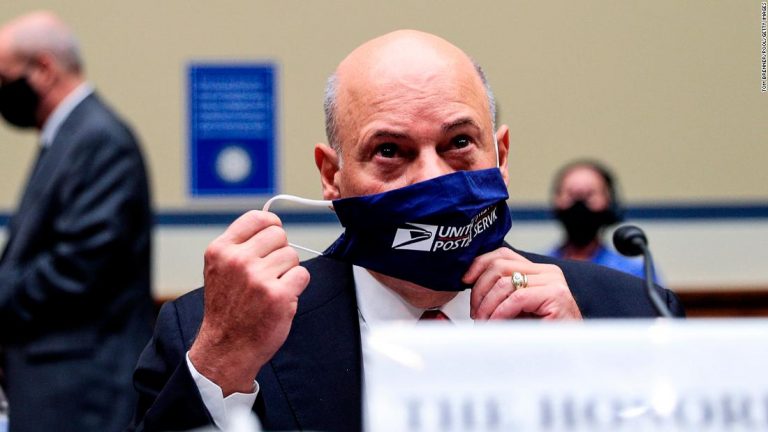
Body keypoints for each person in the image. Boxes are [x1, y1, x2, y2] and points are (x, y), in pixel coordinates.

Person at [130, 30, 683, 432]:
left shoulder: (631, 316)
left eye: (459, 143)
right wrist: (224, 362)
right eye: (390, 151)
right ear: (331, 175)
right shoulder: (215, 333)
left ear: (501, 154)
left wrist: (589, 378)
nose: (432, 178)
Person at [0, 11, 154, 432]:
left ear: (44, 69)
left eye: (3, 78)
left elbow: (77, 270)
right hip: (59, 386)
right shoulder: (69, 137)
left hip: (83, 392)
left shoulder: (100, 140)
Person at [548, 160, 657, 281]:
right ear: (556, 201)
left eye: (589, 194)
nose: (579, 204)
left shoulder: (635, 270)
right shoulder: (539, 265)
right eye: (570, 194)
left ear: (609, 202)